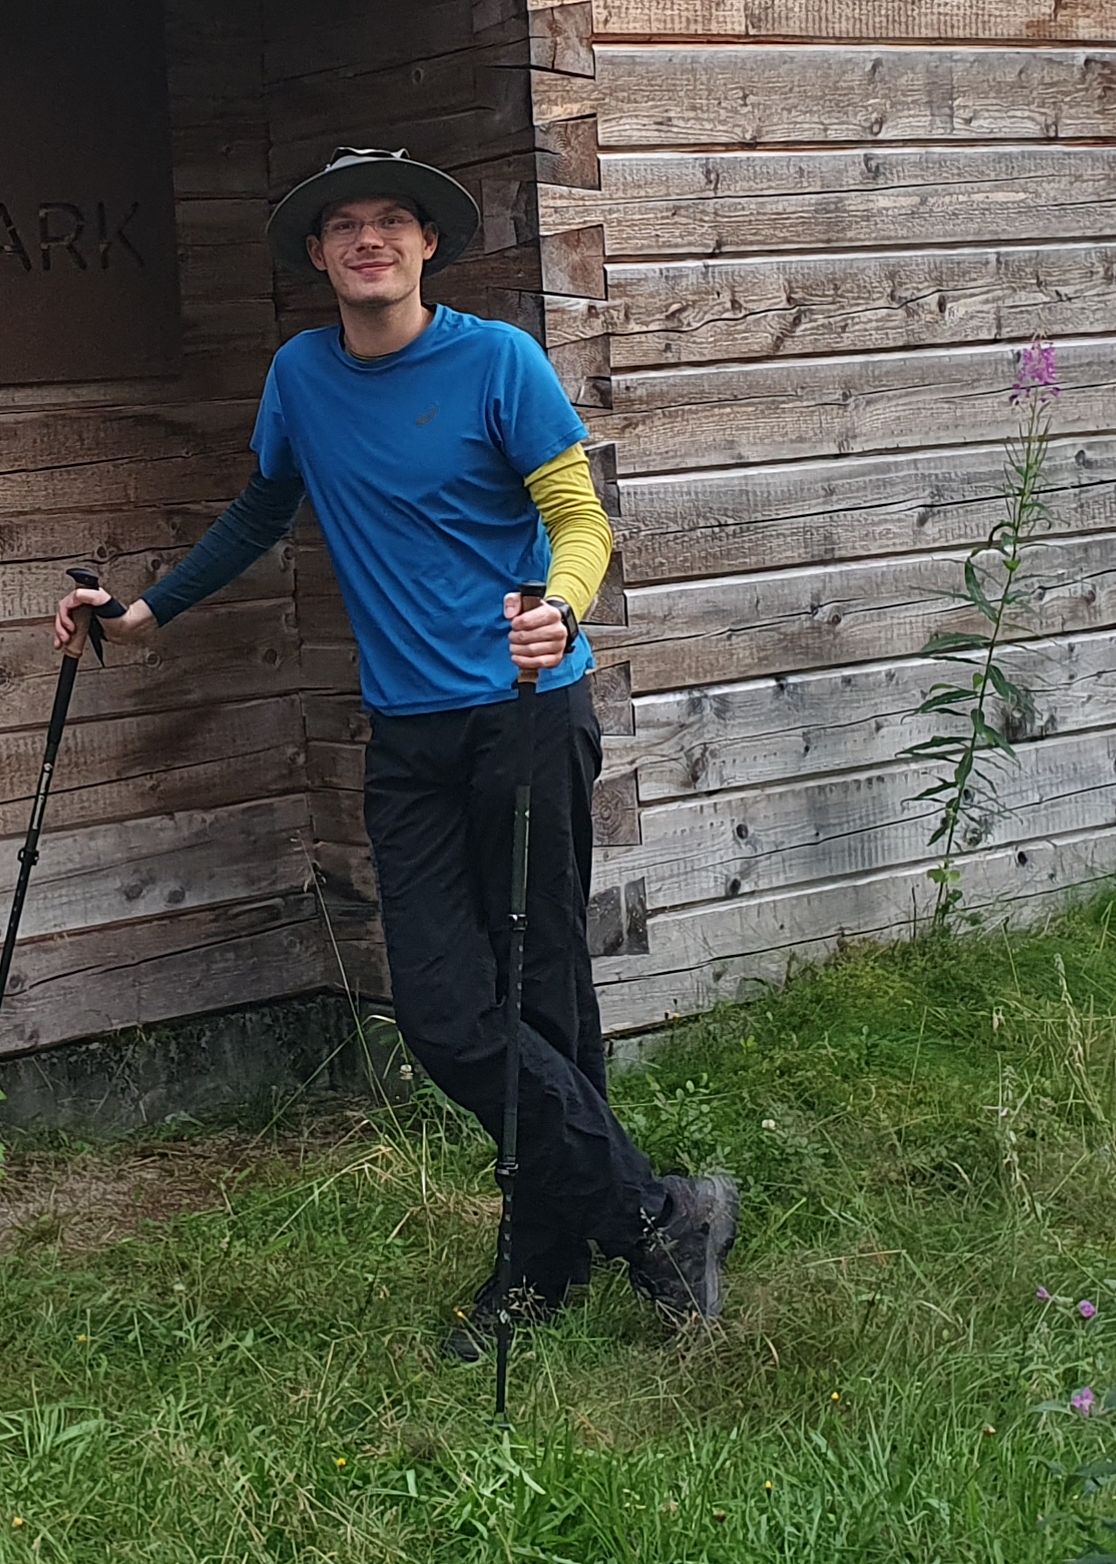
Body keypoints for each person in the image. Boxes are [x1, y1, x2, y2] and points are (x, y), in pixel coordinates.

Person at [54, 147, 735, 1353]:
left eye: (392, 223)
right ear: (317, 256)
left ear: (428, 246)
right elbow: (265, 509)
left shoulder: (499, 364)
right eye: (343, 227)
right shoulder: (302, 377)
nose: (369, 240)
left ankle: (543, 1261)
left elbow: (579, 519)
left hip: (527, 714)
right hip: (410, 735)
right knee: (444, 1014)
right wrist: (149, 611)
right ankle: (663, 1214)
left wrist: (561, 607)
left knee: (543, 1000)